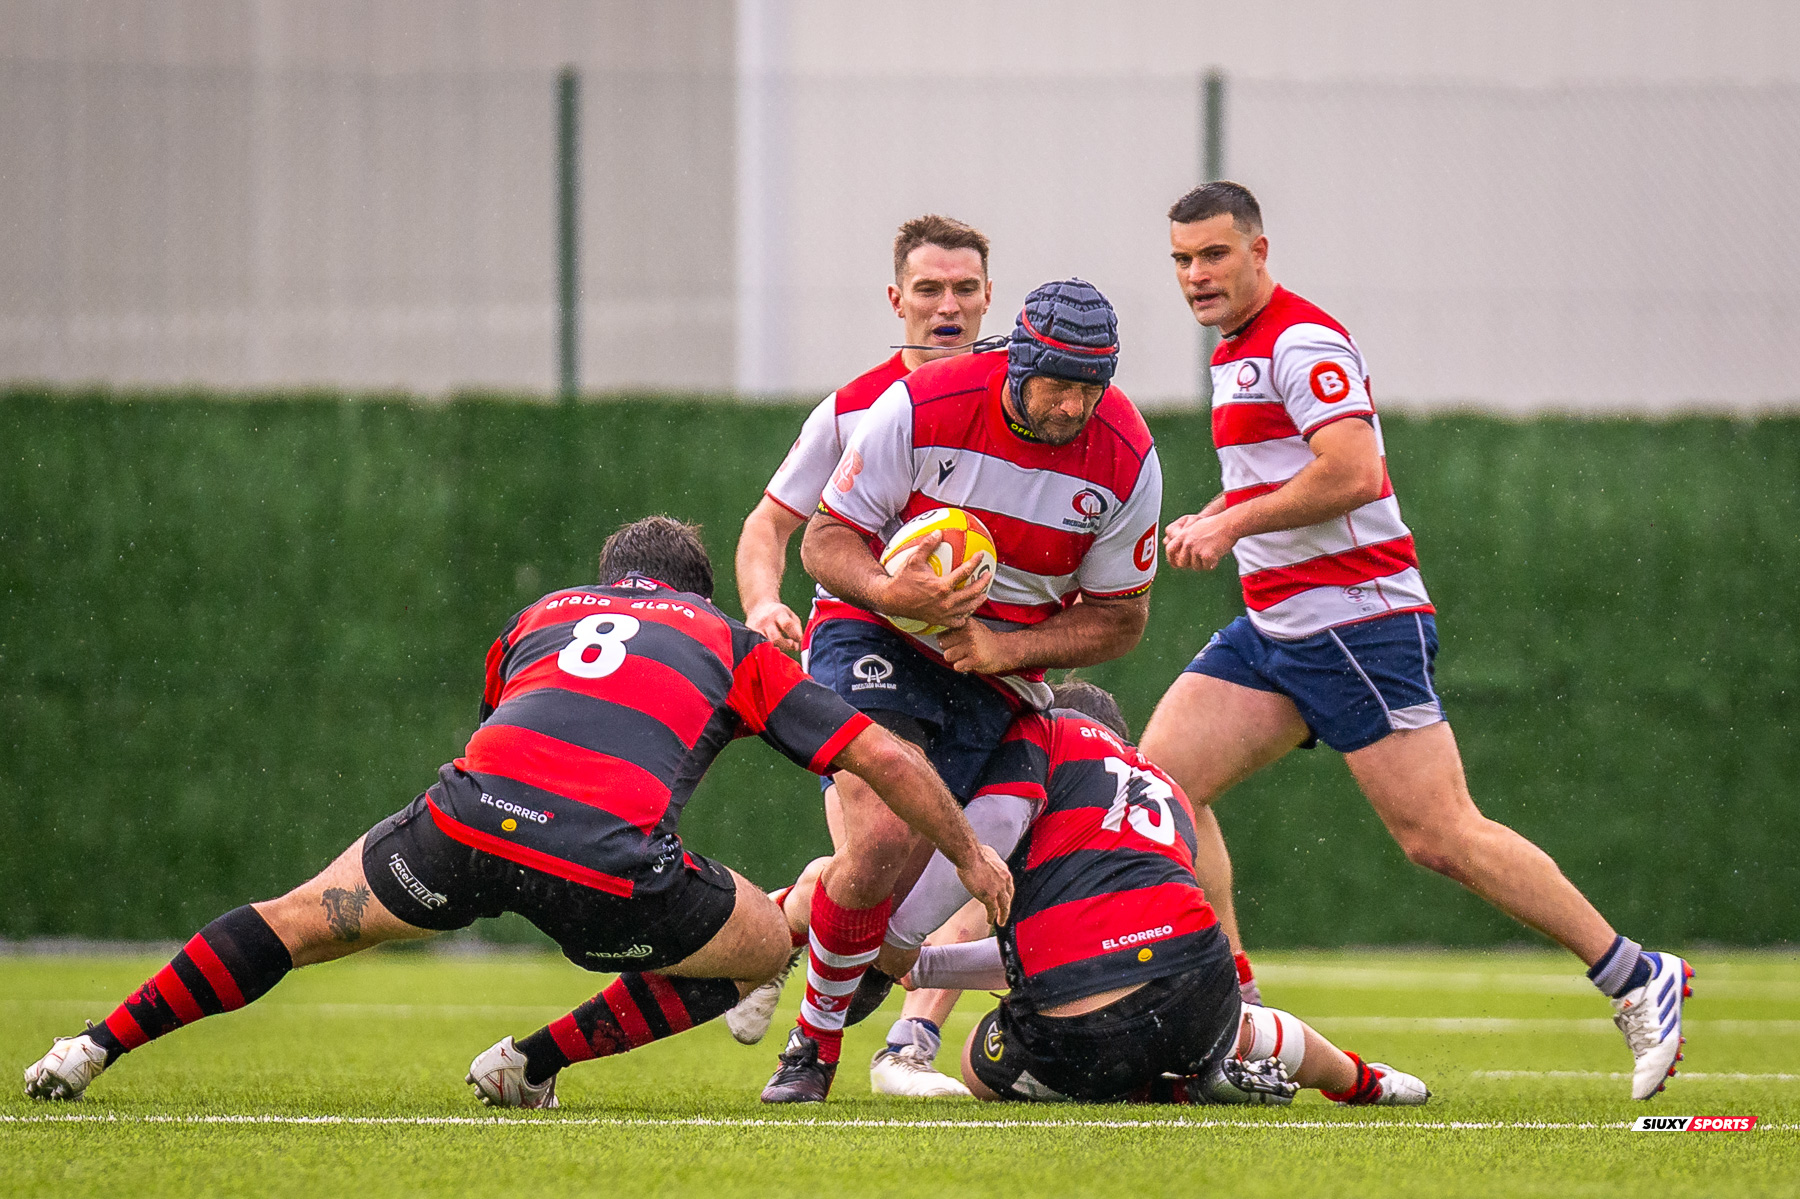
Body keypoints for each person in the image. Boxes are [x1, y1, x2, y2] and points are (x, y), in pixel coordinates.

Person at [22, 517, 1011, 1106]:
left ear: (610, 571)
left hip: (463, 823)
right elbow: (883, 752)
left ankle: (90, 1044)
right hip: (606, 866)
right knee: (760, 945)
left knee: (291, 919)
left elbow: (502, 720)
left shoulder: (538, 614)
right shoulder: (727, 640)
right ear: (696, 592)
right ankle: (528, 1062)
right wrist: (969, 856)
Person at [1139, 180, 1690, 1102]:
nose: (1197, 275)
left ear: (1259, 251)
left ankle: (1635, 974)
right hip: (1279, 625)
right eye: (1182, 261)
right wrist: (1232, 514)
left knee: (1439, 835)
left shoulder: (1301, 339)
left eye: (1214, 255)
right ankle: (1238, 1020)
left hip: (1356, 621)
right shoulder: (1235, 350)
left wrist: (1231, 524)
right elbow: (1289, 482)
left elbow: (1353, 472)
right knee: (1160, 787)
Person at [759, 278, 1165, 1103]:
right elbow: (824, 542)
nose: (1071, 406)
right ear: (1019, 362)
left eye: (1091, 388)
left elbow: (1122, 620)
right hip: (874, 633)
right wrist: (890, 591)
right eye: (1056, 384)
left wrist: (1007, 645)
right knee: (878, 836)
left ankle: (806, 928)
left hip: (998, 670)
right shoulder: (923, 404)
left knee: (903, 895)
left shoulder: (1126, 456)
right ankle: (813, 1046)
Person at [728, 214, 999, 1097]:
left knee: (880, 894)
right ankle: (824, 1051)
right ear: (897, 300)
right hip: (859, 645)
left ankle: (772, 932)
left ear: (989, 296)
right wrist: (766, 603)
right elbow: (768, 524)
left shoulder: (1019, 404)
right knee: (883, 840)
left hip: (968, 662)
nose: (948, 306)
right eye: (929, 290)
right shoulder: (854, 406)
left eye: (965, 289)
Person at [883, 679, 1429, 1106]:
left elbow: (1061, 954)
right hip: (1202, 984)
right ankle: (1365, 1081)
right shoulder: (1165, 787)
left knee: (979, 1062)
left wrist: (911, 957)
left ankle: (1170, 1091)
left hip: (1085, 1030)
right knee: (1245, 1027)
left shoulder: (1045, 749)